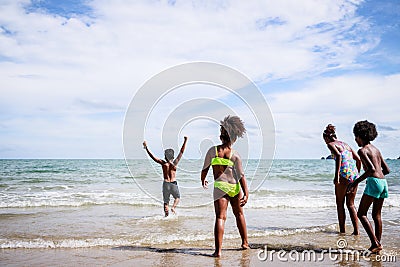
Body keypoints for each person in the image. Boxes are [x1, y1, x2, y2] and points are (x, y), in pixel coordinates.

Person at [201, 115, 249, 257]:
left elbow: (205, 169)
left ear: (221, 135)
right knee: (239, 214)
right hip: (235, 187)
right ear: (234, 136)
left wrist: (203, 179)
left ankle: (218, 251)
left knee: (220, 217)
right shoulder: (235, 155)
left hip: (220, 188)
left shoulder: (212, 151)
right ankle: (245, 243)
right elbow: (241, 176)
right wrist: (246, 193)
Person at [347, 120, 390, 253]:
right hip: (383, 182)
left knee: (361, 214)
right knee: (377, 215)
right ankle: (377, 244)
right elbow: (386, 170)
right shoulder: (376, 150)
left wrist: (354, 183)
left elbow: (371, 170)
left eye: (356, 136)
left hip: (374, 182)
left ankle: (375, 243)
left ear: (361, 136)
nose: (355, 139)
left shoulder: (362, 151)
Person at [323, 124, 361, 235]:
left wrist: (337, 176)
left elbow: (339, 156)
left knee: (340, 204)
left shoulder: (330, 144)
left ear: (326, 138)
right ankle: (356, 231)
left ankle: (342, 232)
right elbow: (358, 160)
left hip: (343, 175)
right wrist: (356, 174)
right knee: (351, 204)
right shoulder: (346, 144)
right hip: (353, 175)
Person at [143, 136, 188, 217]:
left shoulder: (163, 163)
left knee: (166, 202)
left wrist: (146, 148)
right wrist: (185, 141)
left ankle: (166, 216)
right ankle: (174, 207)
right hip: (173, 183)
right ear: (173, 156)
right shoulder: (175, 163)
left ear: (165, 156)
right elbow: (181, 152)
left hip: (166, 184)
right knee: (177, 198)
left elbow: (153, 157)